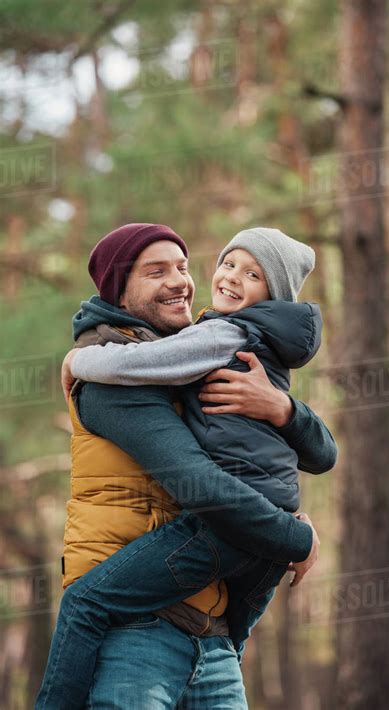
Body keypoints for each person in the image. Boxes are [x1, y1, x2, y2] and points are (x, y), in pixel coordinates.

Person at [37, 224, 336, 710]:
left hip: (210, 639)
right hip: (142, 631)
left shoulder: (203, 361)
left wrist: (281, 408)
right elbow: (201, 484)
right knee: (84, 604)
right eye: (157, 272)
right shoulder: (121, 381)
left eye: (182, 266)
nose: (180, 281)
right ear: (117, 288)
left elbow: (323, 454)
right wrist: (294, 537)